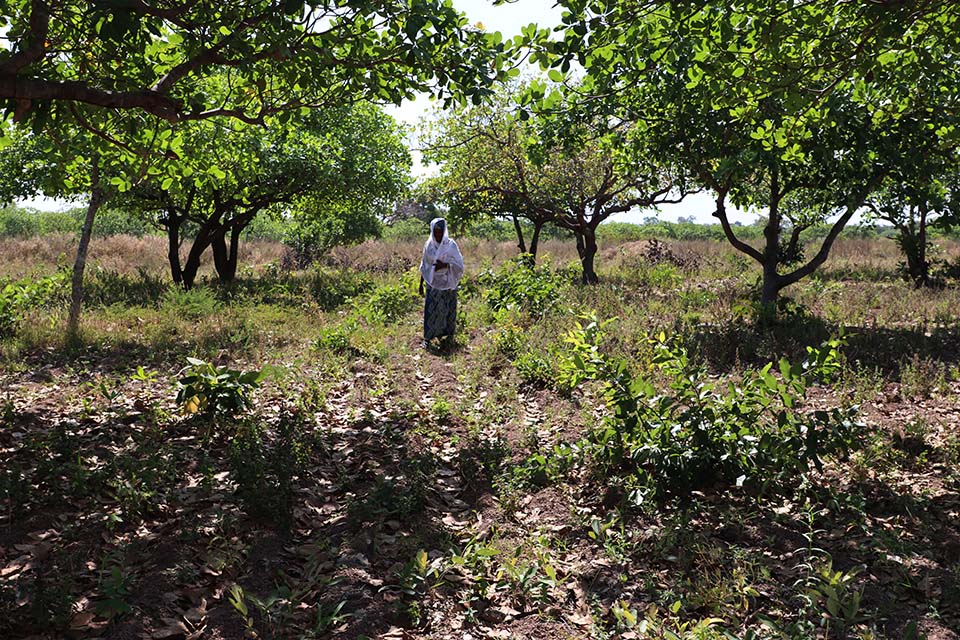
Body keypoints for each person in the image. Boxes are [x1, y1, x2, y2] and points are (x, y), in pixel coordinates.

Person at [418, 218, 464, 348]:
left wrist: (445, 265)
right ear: (432, 231)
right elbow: (424, 266)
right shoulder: (429, 246)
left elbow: (459, 265)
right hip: (432, 283)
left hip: (448, 283)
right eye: (436, 231)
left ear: (445, 231)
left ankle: (447, 336)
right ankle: (428, 337)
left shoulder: (450, 245)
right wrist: (421, 284)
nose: (438, 234)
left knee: (447, 309)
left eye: (441, 231)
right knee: (432, 310)